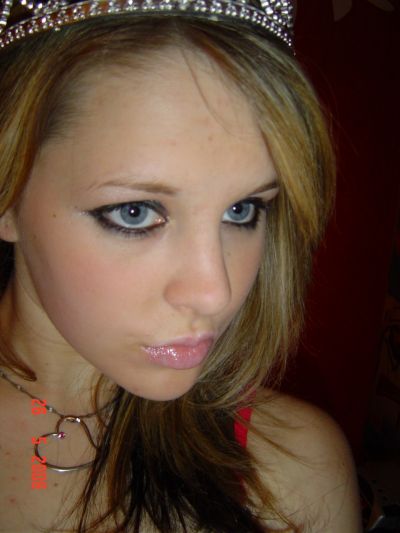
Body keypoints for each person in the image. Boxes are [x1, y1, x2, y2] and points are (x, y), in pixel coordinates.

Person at [0, 1, 362, 531]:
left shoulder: (294, 469)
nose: (216, 293)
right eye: (135, 212)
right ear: (9, 198)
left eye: (243, 210)